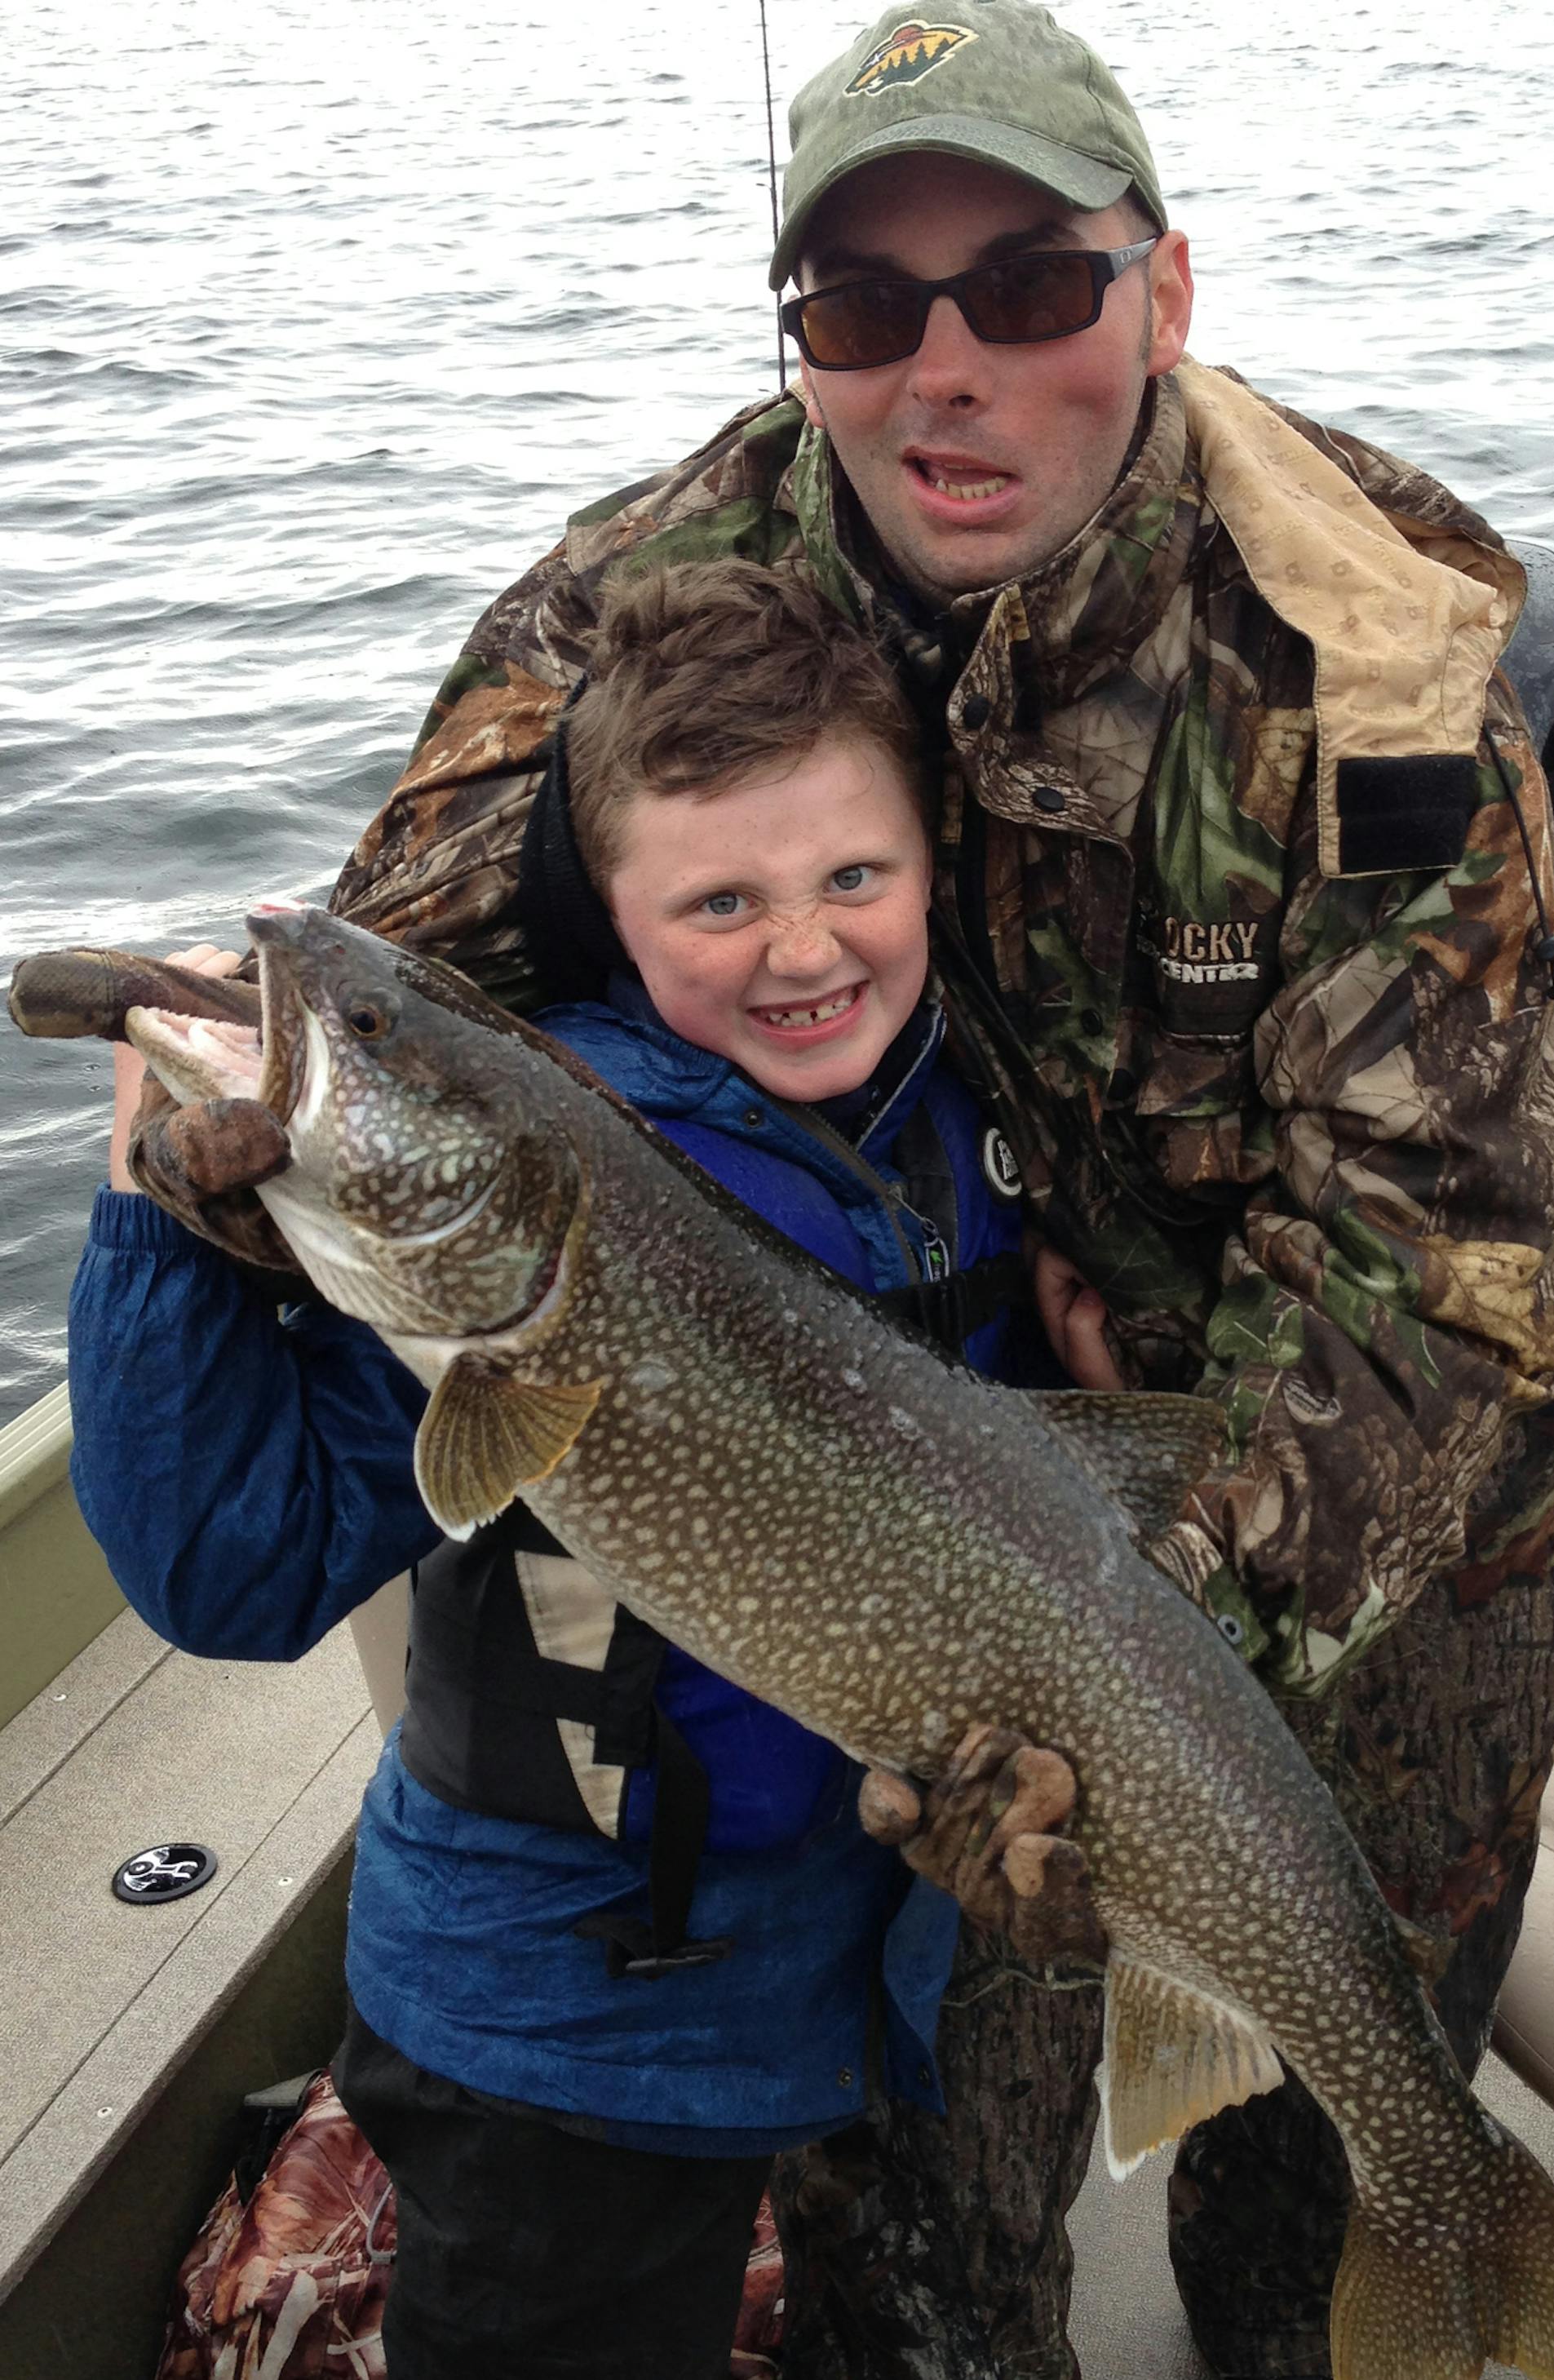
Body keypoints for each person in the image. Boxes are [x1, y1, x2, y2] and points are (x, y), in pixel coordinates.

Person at [117, 4, 1554, 2375]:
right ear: (806, 345)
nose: (942, 371)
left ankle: (1381, 2283)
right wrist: (203, 1162)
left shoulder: (1380, 655)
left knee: (1325, 2133)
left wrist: (1164, 1628)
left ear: (1161, 298)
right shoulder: (664, 583)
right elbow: (398, 982)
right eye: (864, 309)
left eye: (1033, 290)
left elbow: (1439, 1265)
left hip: (1397, 1459)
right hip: (954, 1442)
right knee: (932, 2219)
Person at [70, 558, 1063, 2380]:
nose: (805, 945)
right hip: (556, 2039)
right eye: (720, 900)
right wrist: (155, 1218)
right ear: (610, 912)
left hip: (853, 1979)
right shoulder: (511, 1246)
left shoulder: (955, 1117)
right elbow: (233, 1567)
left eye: (856, 876)